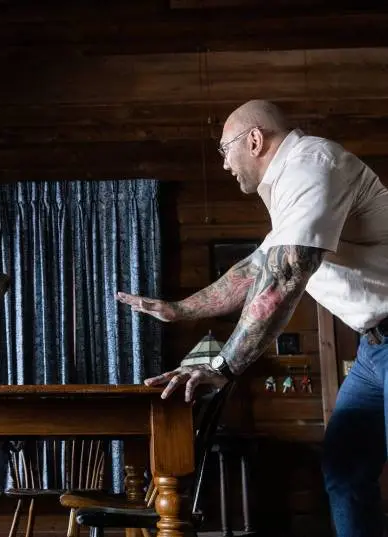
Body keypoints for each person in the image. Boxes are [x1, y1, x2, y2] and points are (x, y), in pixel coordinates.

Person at [117, 99, 388, 537]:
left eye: (225, 150)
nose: (225, 164)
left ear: (255, 140)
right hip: (373, 349)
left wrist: (223, 366)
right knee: (345, 469)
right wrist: (179, 310)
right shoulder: (290, 187)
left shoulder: (312, 164)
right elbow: (254, 270)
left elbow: (285, 275)